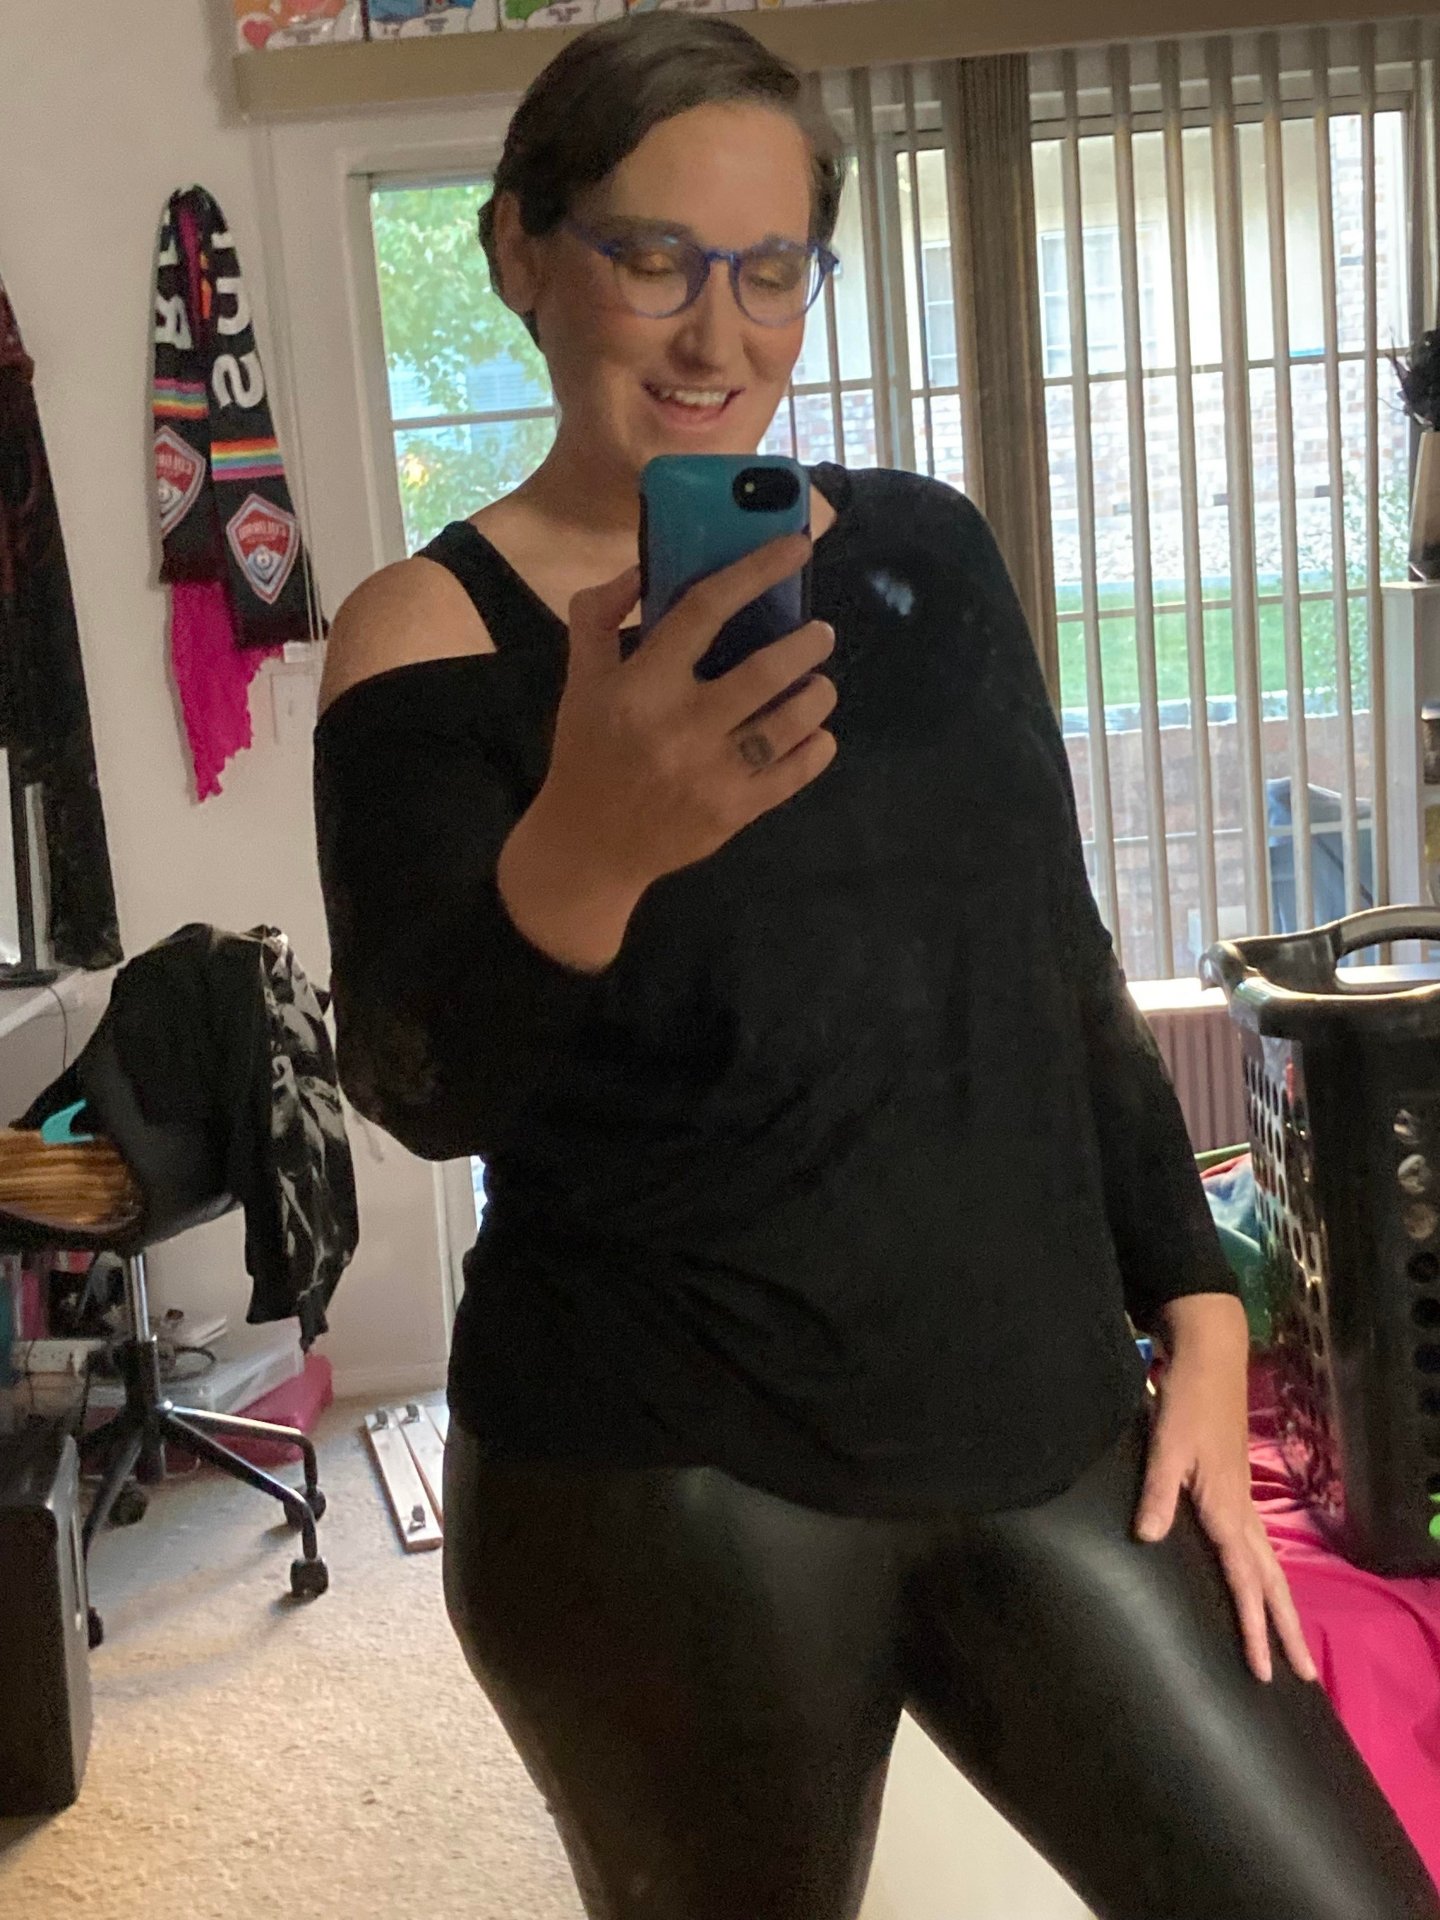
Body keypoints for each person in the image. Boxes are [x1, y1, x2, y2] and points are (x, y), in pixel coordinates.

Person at [312, 16, 1440, 1918]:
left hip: (1043, 1427)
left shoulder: (928, 552)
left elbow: (1059, 961)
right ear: (521, 253)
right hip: (658, 1478)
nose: (718, 332)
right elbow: (425, 1090)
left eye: (773, 270)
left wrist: (1199, 1299)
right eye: (653, 256)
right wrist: (595, 840)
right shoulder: (428, 635)